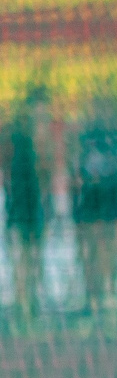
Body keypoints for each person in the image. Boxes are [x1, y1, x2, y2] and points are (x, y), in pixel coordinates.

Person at [6, 86, 60, 322]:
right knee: (20, 255)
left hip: (38, 203)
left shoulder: (47, 140)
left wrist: (50, 205)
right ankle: (22, 305)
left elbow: (48, 175)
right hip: (18, 202)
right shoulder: (15, 138)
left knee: (36, 255)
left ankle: (32, 304)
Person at [70, 96, 117, 315]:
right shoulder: (83, 137)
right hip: (90, 201)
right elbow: (74, 169)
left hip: (111, 198)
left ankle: (110, 295)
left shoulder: (116, 136)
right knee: (91, 250)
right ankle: (92, 298)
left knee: (112, 249)